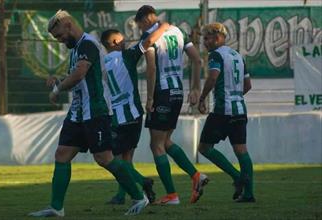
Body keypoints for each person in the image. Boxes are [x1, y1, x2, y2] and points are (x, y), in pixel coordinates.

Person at [28, 10, 149, 217]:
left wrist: (57, 90)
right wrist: (58, 81)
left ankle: (140, 196)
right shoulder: (76, 49)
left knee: (104, 158)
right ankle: (56, 207)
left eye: (59, 35)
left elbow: (80, 74)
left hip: (96, 111)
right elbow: (76, 80)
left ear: (68, 25)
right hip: (78, 113)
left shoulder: (88, 44)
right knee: (62, 155)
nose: (59, 40)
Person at [134, 5, 209, 205]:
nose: (141, 30)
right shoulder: (179, 31)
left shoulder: (150, 37)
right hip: (177, 92)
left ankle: (171, 195)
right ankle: (196, 176)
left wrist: (149, 98)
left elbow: (151, 69)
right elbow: (197, 60)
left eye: (140, 25)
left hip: (162, 93)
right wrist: (195, 88)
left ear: (146, 19)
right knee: (166, 142)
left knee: (156, 144)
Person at [100, 24, 170, 205]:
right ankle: (132, 188)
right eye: (122, 39)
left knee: (117, 159)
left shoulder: (102, 62)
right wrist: (163, 26)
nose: (125, 42)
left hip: (117, 116)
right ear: (115, 42)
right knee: (124, 159)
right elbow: (148, 41)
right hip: (134, 114)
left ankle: (132, 189)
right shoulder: (127, 56)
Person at [198, 22, 255, 202]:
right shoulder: (238, 56)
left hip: (223, 111)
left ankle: (237, 177)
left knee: (204, 148)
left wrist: (201, 98)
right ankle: (249, 194)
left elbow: (213, 77)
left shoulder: (216, 55)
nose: (204, 42)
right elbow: (248, 85)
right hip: (240, 110)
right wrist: (235, 96)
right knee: (242, 151)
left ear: (217, 38)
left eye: (206, 38)